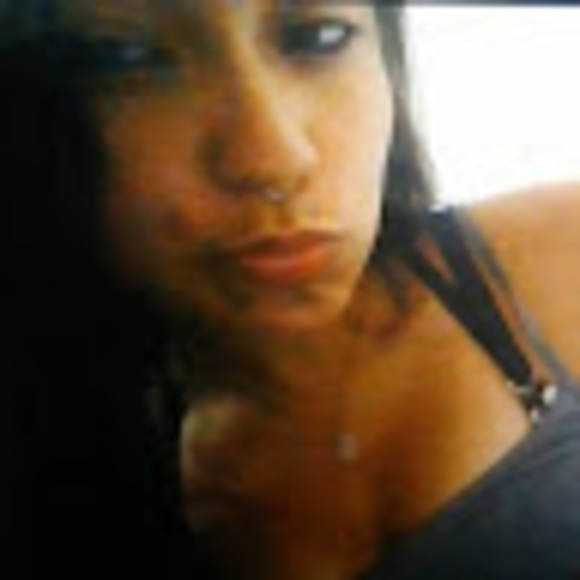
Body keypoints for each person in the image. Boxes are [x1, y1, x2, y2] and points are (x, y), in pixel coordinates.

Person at [1, 1, 579, 579]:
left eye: (319, 37)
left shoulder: (552, 252)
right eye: (128, 58)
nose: (273, 160)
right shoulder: (69, 468)